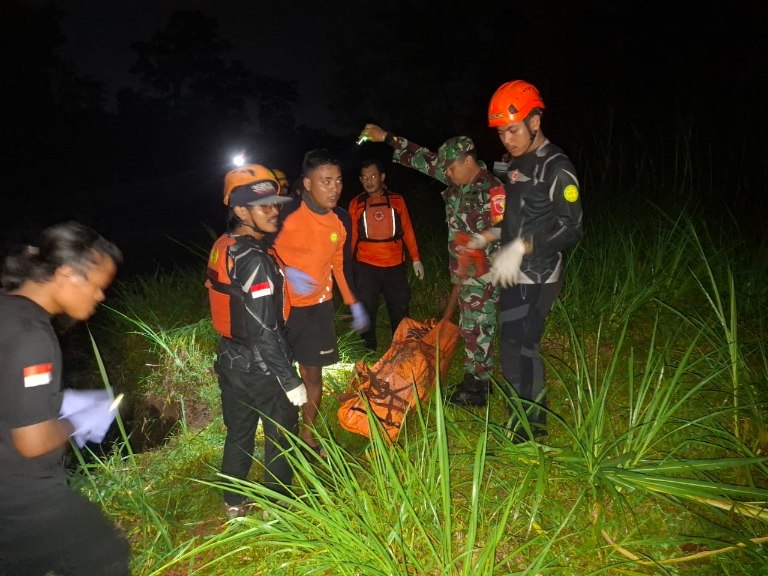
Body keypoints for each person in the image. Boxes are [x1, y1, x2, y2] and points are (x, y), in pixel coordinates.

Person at [0, 221, 130, 576]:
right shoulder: (32, 337)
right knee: (106, 554)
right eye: (98, 286)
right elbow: (32, 441)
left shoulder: (7, 312)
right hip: (25, 498)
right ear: (67, 273)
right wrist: (79, 419)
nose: (101, 296)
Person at [359, 124, 505, 407]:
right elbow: (422, 158)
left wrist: (480, 245)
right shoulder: (455, 179)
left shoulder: (494, 189)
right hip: (463, 272)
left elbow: (507, 229)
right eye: (445, 170)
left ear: (468, 160)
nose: (445, 174)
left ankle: (477, 387)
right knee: (470, 325)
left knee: (480, 326)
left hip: (485, 272)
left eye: (450, 168)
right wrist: (387, 138)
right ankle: (476, 376)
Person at [206, 164, 308, 519]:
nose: (274, 211)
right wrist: (290, 380)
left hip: (230, 361)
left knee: (239, 432)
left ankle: (233, 502)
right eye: (263, 205)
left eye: (275, 204)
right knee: (282, 435)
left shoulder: (224, 246)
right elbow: (266, 329)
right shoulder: (254, 259)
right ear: (239, 210)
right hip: (262, 368)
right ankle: (279, 506)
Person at [487, 79, 583, 440]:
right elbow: (516, 215)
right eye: (500, 133)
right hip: (513, 273)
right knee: (511, 345)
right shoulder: (513, 162)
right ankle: (521, 416)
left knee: (523, 347)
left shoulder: (557, 167)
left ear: (535, 122)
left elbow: (572, 227)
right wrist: (494, 237)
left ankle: (532, 430)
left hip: (539, 275)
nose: (506, 139)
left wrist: (521, 247)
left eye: (512, 129)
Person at [268, 149, 369, 456]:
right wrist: (289, 274)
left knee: (313, 376)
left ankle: (308, 436)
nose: (334, 188)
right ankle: (279, 440)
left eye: (338, 181)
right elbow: (262, 251)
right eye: (325, 181)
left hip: (317, 310)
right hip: (282, 309)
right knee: (280, 376)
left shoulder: (341, 220)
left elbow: (340, 265)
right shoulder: (285, 214)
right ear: (307, 184)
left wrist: (353, 303)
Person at [348, 157, 424, 350]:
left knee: (399, 308)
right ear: (360, 180)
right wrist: (346, 264)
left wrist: (416, 259)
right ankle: (368, 347)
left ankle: (400, 348)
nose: (369, 181)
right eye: (364, 177)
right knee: (367, 308)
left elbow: (407, 229)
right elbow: (352, 236)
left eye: (373, 176)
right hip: (366, 265)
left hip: (394, 266)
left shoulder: (397, 200)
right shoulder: (356, 203)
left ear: (382, 177)